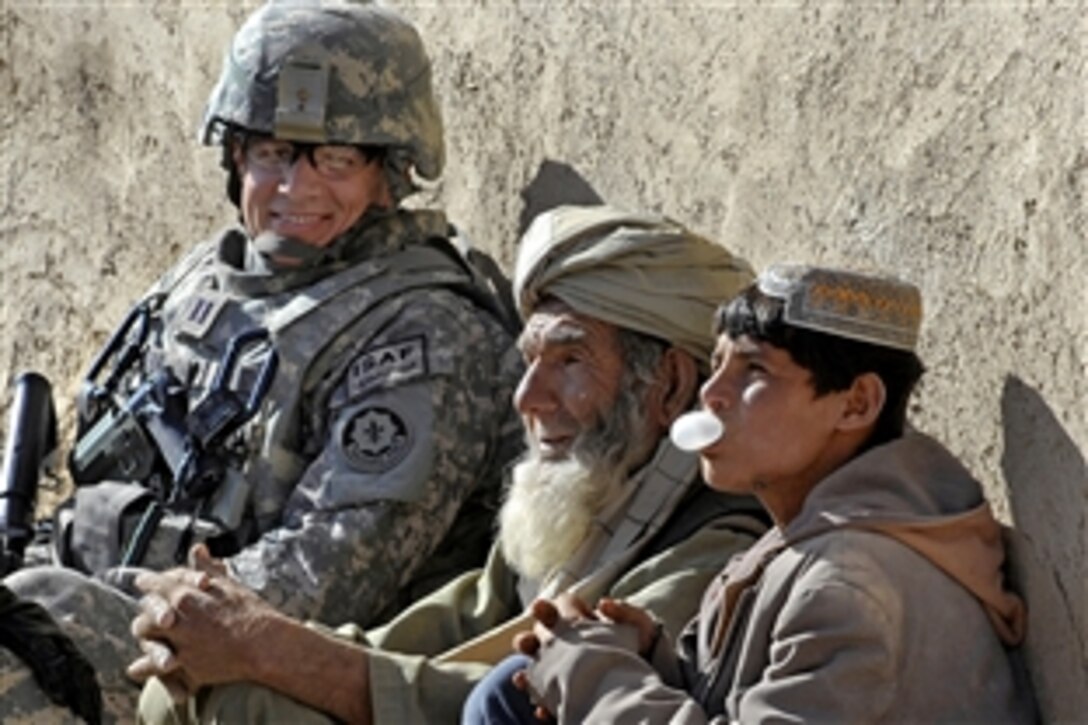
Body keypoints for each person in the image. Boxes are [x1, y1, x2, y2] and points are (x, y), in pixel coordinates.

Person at [0, 1, 522, 720]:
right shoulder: (204, 280)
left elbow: (326, 580)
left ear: (392, 173)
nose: (294, 189)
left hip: (265, 668)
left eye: (336, 159)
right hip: (123, 608)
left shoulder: (426, 333)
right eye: (271, 152)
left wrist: (81, 588)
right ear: (235, 156)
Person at [130, 204, 768, 724]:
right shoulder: (591, 495)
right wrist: (236, 640)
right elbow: (450, 632)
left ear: (670, 385)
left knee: (249, 707)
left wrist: (272, 651)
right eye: (531, 361)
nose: (528, 398)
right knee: (190, 691)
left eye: (570, 362)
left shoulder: (715, 547)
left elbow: (521, 701)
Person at [479, 263, 1037, 723]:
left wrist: (595, 673)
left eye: (754, 373)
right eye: (717, 365)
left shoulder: (849, 583)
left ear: (857, 403)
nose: (713, 395)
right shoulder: (797, 543)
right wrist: (654, 657)